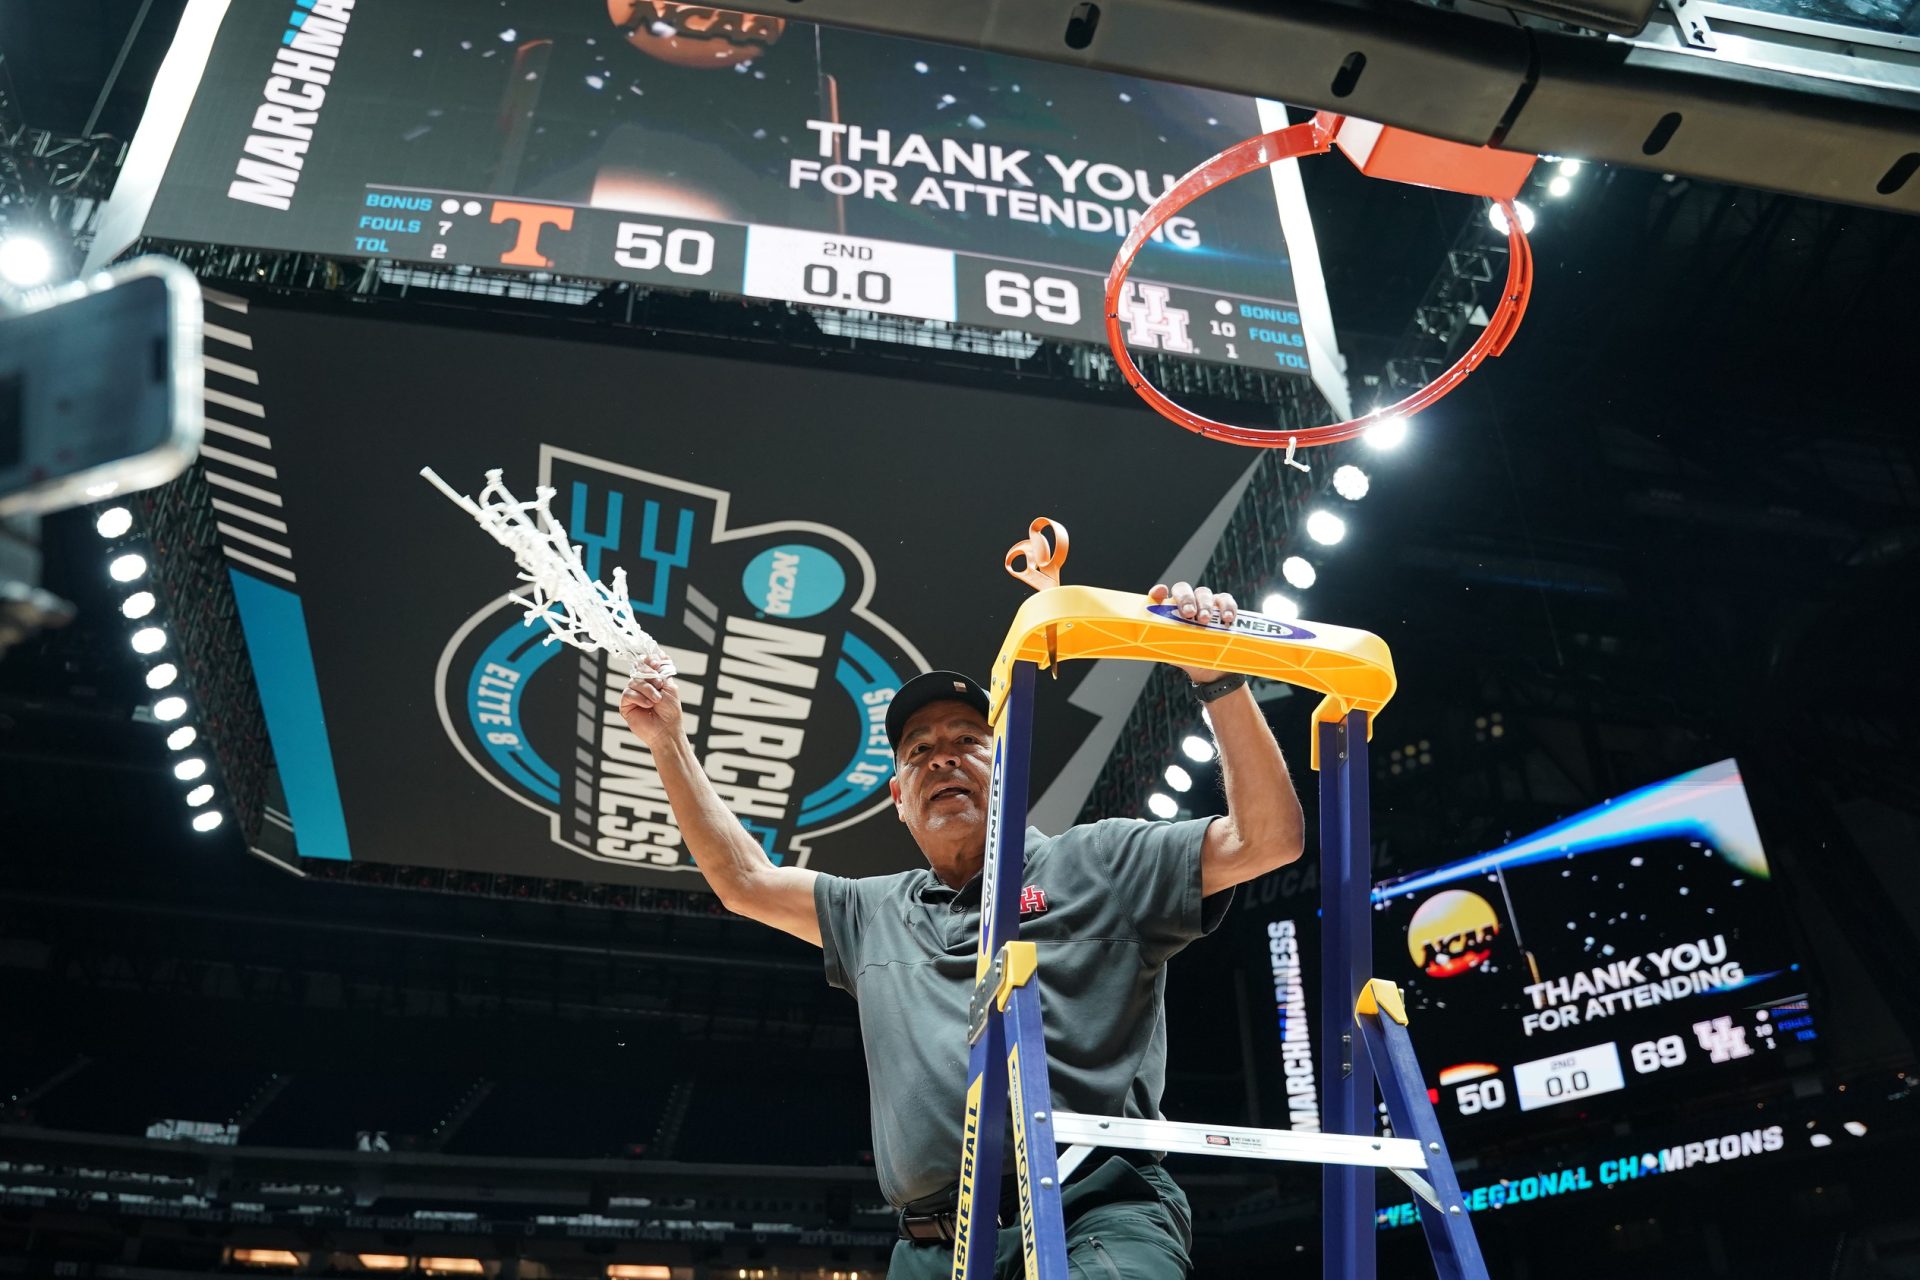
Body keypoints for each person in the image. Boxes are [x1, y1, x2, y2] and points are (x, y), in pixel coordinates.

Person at [620, 580, 1306, 1278]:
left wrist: (1218, 678)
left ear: (1006, 763)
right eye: (917, 751)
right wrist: (667, 740)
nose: (941, 757)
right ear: (898, 799)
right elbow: (744, 881)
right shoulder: (870, 913)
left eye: (968, 740)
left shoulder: (1102, 860)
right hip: (929, 1252)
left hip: (1093, 1212)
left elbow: (1269, 841)